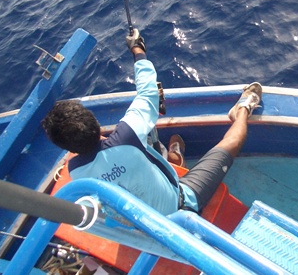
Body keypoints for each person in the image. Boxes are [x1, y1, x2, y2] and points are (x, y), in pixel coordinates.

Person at [42, 30, 262, 215]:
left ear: (68, 149)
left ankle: (174, 157)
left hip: (139, 228)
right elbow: (148, 92)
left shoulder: (76, 172)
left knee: (144, 142)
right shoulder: (126, 134)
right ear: (96, 124)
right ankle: (241, 110)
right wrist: (137, 49)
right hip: (178, 208)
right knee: (232, 142)